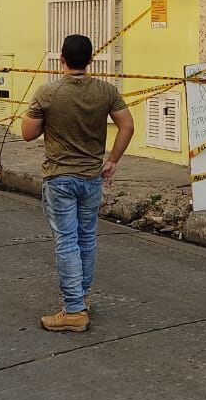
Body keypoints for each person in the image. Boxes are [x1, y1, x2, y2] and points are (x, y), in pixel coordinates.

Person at [22, 34, 135, 332]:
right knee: (86, 239)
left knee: (66, 241)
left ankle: (73, 310)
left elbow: (27, 133)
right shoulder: (106, 91)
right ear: (90, 60)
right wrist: (111, 161)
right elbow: (127, 125)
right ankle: (80, 298)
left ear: (61, 59)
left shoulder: (48, 92)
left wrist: (46, 118)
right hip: (91, 177)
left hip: (59, 178)